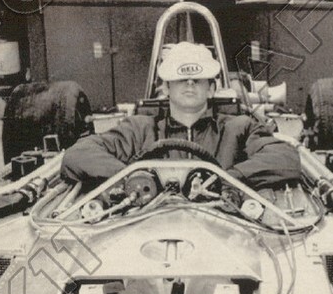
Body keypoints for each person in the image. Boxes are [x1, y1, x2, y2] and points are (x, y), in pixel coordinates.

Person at [61, 41, 301, 189]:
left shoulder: (239, 127)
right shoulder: (139, 128)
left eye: (197, 80)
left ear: (211, 89)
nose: (189, 85)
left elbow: (285, 158)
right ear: (165, 88)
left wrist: (229, 179)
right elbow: (78, 154)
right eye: (181, 80)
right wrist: (132, 179)